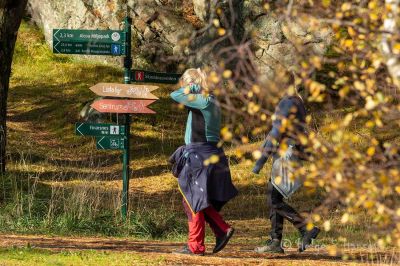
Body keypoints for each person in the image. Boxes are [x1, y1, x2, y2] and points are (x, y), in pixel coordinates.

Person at [169, 68, 238, 256]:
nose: (183, 87)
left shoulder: (203, 100)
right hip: (209, 153)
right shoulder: (211, 100)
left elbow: (174, 95)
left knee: (192, 200)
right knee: (198, 199)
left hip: (199, 156)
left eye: (185, 82)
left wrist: (192, 87)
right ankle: (222, 230)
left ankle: (195, 246)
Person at [252, 73, 320, 253]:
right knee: (275, 197)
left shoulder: (287, 102)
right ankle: (275, 241)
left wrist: (260, 161)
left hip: (285, 155)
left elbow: (276, 133)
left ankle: (306, 228)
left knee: (274, 199)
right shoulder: (296, 101)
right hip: (289, 154)